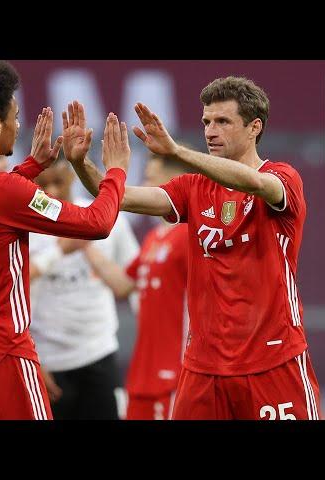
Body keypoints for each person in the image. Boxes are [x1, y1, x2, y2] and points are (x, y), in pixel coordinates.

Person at [62, 76, 320, 420]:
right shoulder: (193, 188)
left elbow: (255, 182)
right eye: (206, 122)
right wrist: (82, 164)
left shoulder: (284, 178)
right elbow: (121, 197)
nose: (210, 131)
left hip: (272, 362)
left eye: (223, 121)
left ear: (254, 127)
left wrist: (178, 152)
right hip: (203, 369)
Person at [0, 60, 130, 420]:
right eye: (15, 117)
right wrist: (115, 172)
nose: (20, 127)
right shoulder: (7, 191)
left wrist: (31, 168)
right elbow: (97, 222)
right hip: (0, 357)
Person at [83, 151, 193, 420]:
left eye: (149, 178)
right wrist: (83, 242)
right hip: (143, 374)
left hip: (174, 373)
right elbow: (123, 284)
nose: (143, 186)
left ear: (176, 182)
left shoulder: (189, 236)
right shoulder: (155, 237)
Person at [27, 157, 139, 420]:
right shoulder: (26, 224)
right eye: (43, 184)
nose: (52, 191)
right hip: (48, 362)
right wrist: (58, 251)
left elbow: (128, 282)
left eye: (58, 182)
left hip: (98, 353)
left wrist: (87, 242)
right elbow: (14, 287)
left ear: (72, 177)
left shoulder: (102, 217)